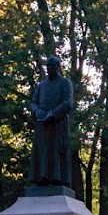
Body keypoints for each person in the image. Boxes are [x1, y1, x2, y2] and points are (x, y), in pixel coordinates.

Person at [28, 55, 74, 188]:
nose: (49, 69)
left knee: (56, 152)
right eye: (47, 66)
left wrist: (52, 114)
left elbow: (68, 103)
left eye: (52, 66)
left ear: (58, 67)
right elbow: (33, 103)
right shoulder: (41, 85)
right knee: (41, 151)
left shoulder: (65, 83)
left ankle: (57, 179)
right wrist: (37, 111)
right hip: (42, 124)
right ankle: (40, 178)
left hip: (57, 124)